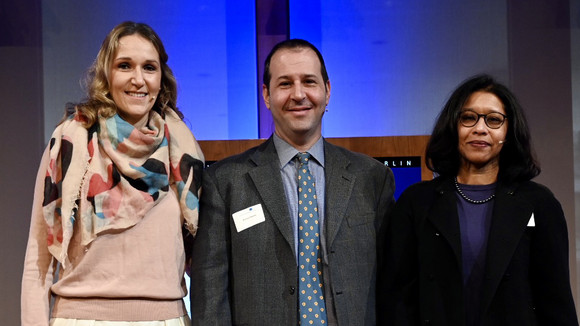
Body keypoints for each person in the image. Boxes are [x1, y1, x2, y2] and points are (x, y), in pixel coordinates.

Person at [190, 39, 395, 325]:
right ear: (266, 95)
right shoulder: (225, 182)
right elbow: (210, 293)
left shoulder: (372, 177)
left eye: (309, 82)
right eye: (285, 83)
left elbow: (393, 285)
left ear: (328, 90)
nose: (298, 94)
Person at [21, 21, 204, 326]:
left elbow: (204, 260)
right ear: (107, 75)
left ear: (161, 77)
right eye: (124, 66)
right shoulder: (70, 142)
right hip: (79, 319)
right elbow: (37, 262)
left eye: (149, 67)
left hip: (167, 319)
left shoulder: (182, 149)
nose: (138, 79)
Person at [382, 74, 578, 325]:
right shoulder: (416, 202)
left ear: (508, 132)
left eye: (494, 120)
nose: (480, 128)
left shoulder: (539, 203)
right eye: (468, 118)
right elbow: (397, 300)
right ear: (454, 127)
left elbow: (556, 301)